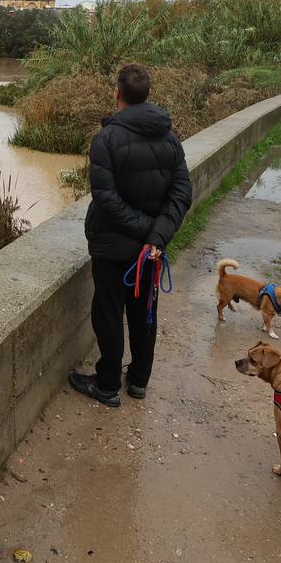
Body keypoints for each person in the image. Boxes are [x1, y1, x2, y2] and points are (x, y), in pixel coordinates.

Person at [70, 63, 192, 407]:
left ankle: (108, 384)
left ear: (117, 94)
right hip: (149, 251)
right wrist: (155, 237)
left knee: (108, 313)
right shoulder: (170, 138)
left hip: (112, 244)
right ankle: (138, 380)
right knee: (145, 312)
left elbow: (105, 198)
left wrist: (146, 234)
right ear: (149, 95)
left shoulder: (106, 139)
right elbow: (181, 193)